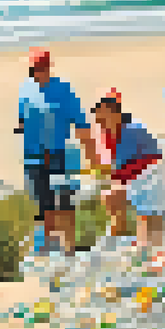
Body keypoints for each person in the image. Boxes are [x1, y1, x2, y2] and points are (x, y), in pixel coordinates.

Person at [18, 48, 103, 255]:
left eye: (40, 67)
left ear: (48, 67)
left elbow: (82, 125)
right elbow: (22, 120)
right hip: (33, 157)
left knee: (65, 203)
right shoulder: (25, 90)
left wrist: (93, 159)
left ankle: (69, 249)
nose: (37, 72)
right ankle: (46, 250)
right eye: (33, 68)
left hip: (61, 155)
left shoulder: (64, 90)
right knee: (42, 205)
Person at [91, 90, 165, 248]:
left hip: (151, 176)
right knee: (112, 195)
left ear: (115, 114)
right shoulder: (110, 134)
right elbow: (119, 166)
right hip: (138, 177)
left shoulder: (130, 131)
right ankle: (121, 236)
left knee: (118, 197)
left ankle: (126, 239)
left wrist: (114, 177)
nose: (98, 120)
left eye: (102, 115)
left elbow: (142, 162)